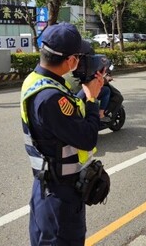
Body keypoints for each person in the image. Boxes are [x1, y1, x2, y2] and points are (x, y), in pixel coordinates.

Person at [20, 22, 104, 246]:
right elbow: (87, 139)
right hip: (60, 195)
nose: (79, 60)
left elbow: (67, 110)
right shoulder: (50, 98)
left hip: (47, 189)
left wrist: (86, 92)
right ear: (69, 60)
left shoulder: (37, 81)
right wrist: (94, 100)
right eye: (77, 55)